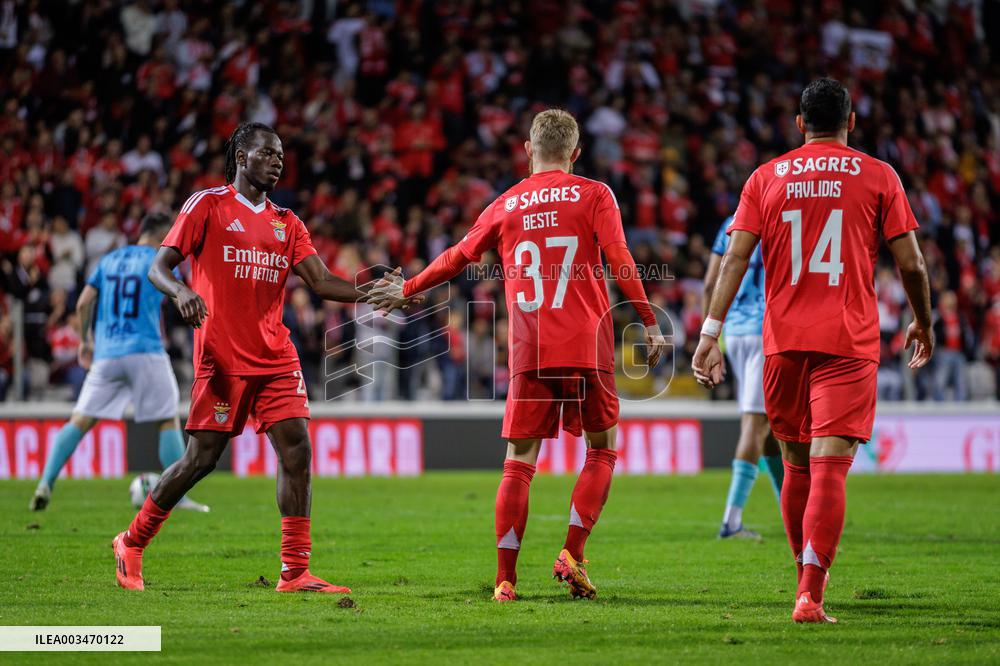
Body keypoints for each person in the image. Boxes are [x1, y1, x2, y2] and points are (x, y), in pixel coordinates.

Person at [368, 109, 667, 602]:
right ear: (575, 153)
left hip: (530, 348)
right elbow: (620, 259)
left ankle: (505, 581)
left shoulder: (505, 203)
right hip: (588, 346)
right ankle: (572, 552)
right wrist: (649, 321)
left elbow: (458, 257)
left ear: (528, 150)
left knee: (518, 463)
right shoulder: (595, 194)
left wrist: (409, 289)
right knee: (602, 449)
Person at [112, 121, 417, 594]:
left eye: (281, 154)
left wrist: (373, 291)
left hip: (275, 356)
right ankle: (131, 541)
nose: (278, 160)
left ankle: (295, 572)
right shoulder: (207, 205)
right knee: (200, 460)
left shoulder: (287, 222)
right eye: (268, 152)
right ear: (241, 156)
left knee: (298, 450)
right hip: (222, 357)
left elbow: (320, 282)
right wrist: (180, 292)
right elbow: (159, 267)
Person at [693, 78, 934, 624]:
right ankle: (811, 595)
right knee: (830, 467)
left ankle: (802, 579)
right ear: (851, 122)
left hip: (782, 343)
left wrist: (710, 332)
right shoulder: (878, 175)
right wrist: (923, 321)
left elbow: (733, 260)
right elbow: (913, 264)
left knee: (796, 465)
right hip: (847, 341)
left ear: (799, 124)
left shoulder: (765, 177)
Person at [30, 213, 207, 514]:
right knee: (166, 419)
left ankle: (45, 483)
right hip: (145, 350)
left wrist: (86, 340)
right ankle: (180, 498)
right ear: (162, 235)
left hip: (107, 353)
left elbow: (84, 302)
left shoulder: (108, 260)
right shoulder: (158, 259)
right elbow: (178, 295)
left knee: (80, 420)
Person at [703, 216, 783, 539]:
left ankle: (793, 508)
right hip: (765, 330)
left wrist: (710, 336)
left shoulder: (728, 224)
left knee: (770, 428)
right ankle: (731, 522)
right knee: (757, 424)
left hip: (733, 331)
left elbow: (710, 283)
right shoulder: (778, 219)